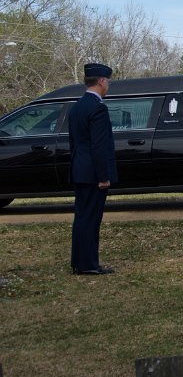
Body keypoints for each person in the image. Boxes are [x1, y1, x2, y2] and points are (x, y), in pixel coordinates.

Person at [69, 63, 117, 275]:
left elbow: (75, 143)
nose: (108, 86)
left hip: (80, 169)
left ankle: (79, 261)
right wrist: (103, 175)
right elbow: (99, 145)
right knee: (91, 218)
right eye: (108, 82)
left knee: (81, 217)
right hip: (93, 173)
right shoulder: (98, 108)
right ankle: (88, 264)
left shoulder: (77, 106)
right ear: (101, 81)